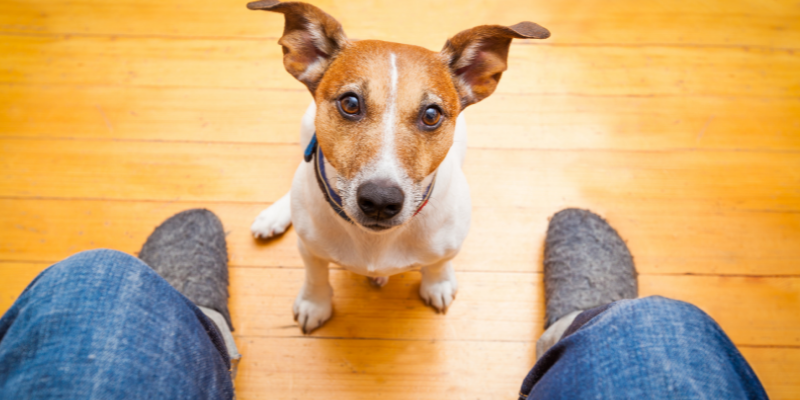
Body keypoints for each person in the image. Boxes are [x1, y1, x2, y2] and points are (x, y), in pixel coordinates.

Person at [0, 209, 768, 399]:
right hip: (322, 230)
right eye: (350, 108)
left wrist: (434, 271)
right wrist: (316, 284)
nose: (384, 180)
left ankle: (181, 326)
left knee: (99, 287)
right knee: (664, 339)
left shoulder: (446, 207)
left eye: (428, 118)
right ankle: (596, 334)